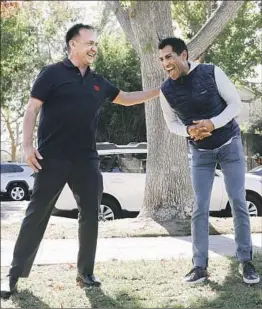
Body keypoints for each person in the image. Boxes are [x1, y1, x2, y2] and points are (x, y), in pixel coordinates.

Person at [0, 23, 159, 298]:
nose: (94, 47)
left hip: (86, 159)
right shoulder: (52, 73)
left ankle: (85, 273)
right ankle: (13, 275)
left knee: (90, 216)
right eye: (89, 42)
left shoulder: (99, 82)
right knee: (36, 214)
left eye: (95, 42)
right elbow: (32, 109)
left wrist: (161, 90)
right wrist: (27, 146)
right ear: (73, 44)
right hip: (52, 157)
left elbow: (128, 98)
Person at [158, 37, 260, 284]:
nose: (165, 63)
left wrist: (213, 123)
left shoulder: (211, 72)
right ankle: (199, 266)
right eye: (161, 59)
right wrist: (190, 131)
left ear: (184, 55)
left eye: (169, 57)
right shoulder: (166, 91)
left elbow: (235, 105)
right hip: (200, 153)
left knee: (238, 200)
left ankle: (246, 261)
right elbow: (172, 124)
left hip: (229, 145)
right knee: (200, 207)